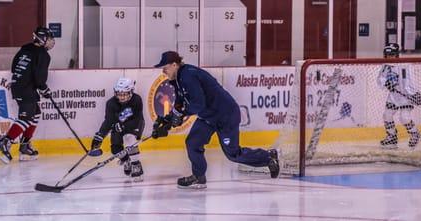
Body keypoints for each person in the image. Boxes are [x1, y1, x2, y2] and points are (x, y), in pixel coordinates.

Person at [151, 51, 279, 189]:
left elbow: (198, 104)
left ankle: (268, 157)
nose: (163, 71)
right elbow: (180, 103)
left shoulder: (189, 76)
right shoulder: (176, 80)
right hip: (208, 117)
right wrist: (167, 120)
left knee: (233, 154)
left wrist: (180, 114)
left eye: (165, 68)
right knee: (193, 142)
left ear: (174, 65)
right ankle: (199, 177)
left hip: (225, 115)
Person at [0, 27, 55, 164]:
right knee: (26, 117)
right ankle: (4, 142)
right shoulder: (43, 55)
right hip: (26, 88)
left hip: (18, 86)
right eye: (49, 39)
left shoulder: (24, 49)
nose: (51, 42)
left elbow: (14, 67)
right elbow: (39, 78)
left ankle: (25, 146)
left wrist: (36, 84)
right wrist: (44, 89)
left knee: (36, 113)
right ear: (42, 39)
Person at [89, 77, 145, 182]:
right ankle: (126, 160)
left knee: (129, 138)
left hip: (134, 124)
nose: (122, 97)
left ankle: (136, 164)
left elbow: (137, 118)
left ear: (131, 92)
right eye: (119, 94)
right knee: (115, 150)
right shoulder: (111, 103)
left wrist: (124, 126)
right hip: (117, 125)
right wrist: (100, 136)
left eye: (125, 94)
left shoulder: (136, 100)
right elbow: (108, 121)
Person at [377, 43, 421, 149]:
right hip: (393, 97)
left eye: (392, 55)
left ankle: (415, 134)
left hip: (405, 97)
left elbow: (409, 81)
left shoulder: (404, 65)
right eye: (387, 55)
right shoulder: (385, 66)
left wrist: (414, 94)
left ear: (396, 55)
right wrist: (385, 84)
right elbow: (380, 79)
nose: (389, 57)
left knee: (404, 118)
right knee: (387, 115)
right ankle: (392, 137)